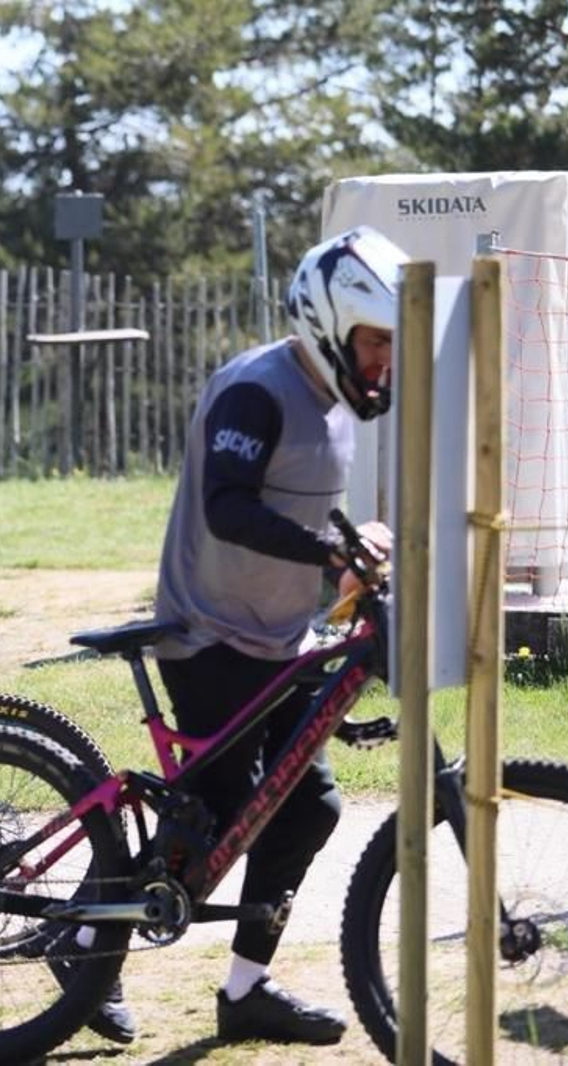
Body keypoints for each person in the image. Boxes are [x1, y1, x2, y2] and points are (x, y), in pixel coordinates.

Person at [151, 225, 405, 1045]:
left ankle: (246, 989)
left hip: (279, 640)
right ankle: (86, 949)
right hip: (209, 633)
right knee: (220, 817)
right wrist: (330, 549)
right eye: (375, 340)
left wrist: (350, 559)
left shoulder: (338, 406)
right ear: (330, 326)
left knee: (306, 808)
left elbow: (301, 521)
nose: (385, 360)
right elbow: (228, 508)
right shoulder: (257, 391)